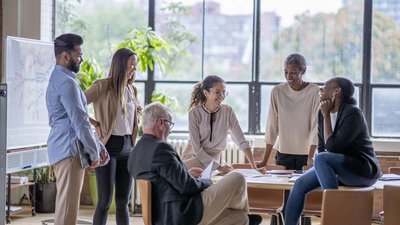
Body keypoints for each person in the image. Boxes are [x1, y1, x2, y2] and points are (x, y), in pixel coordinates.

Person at [128, 102, 262, 225]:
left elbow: (162, 181)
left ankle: (246, 217)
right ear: (161, 123)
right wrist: (208, 181)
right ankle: (239, 209)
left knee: (240, 218)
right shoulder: (161, 148)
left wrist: (186, 173)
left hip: (162, 218)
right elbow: (187, 187)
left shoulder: (134, 153)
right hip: (183, 213)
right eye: (170, 124)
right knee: (237, 177)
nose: (170, 130)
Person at [284, 77, 382, 225]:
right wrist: (325, 115)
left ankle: (335, 217)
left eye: (325, 87)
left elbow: (333, 147)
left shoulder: (353, 113)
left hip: (361, 170)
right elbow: (322, 146)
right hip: (338, 168)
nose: (321, 90)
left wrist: (326, 116)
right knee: (299, 184)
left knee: (321, 158)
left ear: (337, 91)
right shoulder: (322, 112)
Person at [46, 33, 109, 225]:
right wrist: (95, 152)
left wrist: (98, 145)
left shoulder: (61, 78)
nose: (81, 58)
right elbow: (79, 121)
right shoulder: (66, 83)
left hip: (66, 149)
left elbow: (79, 120)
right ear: (66, 56)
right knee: (67, 212)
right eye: (78, 54)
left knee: (67, 209)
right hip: (69, 152)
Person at [85, 48, 141, 225]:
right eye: (131, 63)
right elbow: (76, 106)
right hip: (108, 147)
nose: (134, 67)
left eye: (135, 64)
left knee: (123, 202)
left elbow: (127, 117)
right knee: (104, 201)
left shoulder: (132, 89)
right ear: (120, 64)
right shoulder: (102, 85)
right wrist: (96, 124)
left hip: (128, 148)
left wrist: (136, 113)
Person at [181, 75, 264, 174]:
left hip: (214, 158)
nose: (221, 96)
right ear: (206, 93)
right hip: (193, 156)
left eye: (224, 92)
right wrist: (219, 167)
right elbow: (197, 150)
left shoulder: (228, 111)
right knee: (176, 175)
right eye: (217, 92)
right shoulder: (194, 113)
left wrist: (254, 168)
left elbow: (241, 140)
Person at [257, 53, 320, 170]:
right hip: (283, 154)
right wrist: (264, 160)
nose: (289, 76)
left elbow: (315, 127)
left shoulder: (314, 91)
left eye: (294, 73)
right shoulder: (277, 91)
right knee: (284, 188)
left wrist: (310, 157)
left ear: (303, 70)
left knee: (305, 188)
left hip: (307, 155)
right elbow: (272, 127)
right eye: (286, 72)